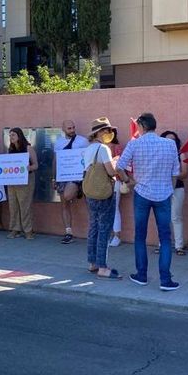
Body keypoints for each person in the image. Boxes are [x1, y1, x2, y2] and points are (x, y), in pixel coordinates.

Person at [117, 113, 181, 291]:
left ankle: (142, 275)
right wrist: (170, 190)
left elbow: (119, 166)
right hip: (164, 194)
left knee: (140, 236)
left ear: (142, 126)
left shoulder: (135, 143)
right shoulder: (169, 144)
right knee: (165, 238)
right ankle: (165, 279)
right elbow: (176, 171)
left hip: (142, 193)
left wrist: (128, 182)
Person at [83, 118, 121, 279]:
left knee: (93, 227)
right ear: (99, 132)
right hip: (104, 192)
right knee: (104, 229)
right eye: (107, 130)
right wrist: (116, 163)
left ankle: (92, 263)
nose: (109, 133)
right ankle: (103, 267)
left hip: (90, 191)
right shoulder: (103, 148)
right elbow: (111, 172)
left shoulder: (88, 149)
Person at [53, 120, 89, 244]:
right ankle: (68, 232)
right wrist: (54, 178)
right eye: (69, 128)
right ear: (63, 129)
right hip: (63, 177)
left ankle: (94, 231)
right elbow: (55, 161)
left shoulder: (82, 141)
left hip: (81, 177)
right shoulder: (58, 143)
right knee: (65, 203)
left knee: (89, 203)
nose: (72, 130)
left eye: (73, 127)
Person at [6, 127, 39, 240]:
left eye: (13, 135)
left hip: (26, 180)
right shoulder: (10, 150)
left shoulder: (28, 148)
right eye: (10, 135)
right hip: (12, 181)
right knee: (13, 206)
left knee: (25, 206)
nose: (11, 137)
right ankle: (15, 229)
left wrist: (27, 167)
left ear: (19, 136)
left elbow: (36, 165)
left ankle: (28, 231)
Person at [160, 130, 188, 255]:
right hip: (162, 189)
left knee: (176, 217)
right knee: (163, 218)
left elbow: (185, 174)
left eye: (173, 140)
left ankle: (179, 246)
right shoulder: (159, 153)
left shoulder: (180, 154)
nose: (171, 142)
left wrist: (172, 175)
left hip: (177, 188)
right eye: (168, 140)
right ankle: (163, 245)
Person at [108, 131, 125, 247]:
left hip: (114, 181)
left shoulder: (117, 148)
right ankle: (109, 235)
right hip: (101, 182)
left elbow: (119, 165)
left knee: (114, 208)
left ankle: (116, 236)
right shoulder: (99, 147)